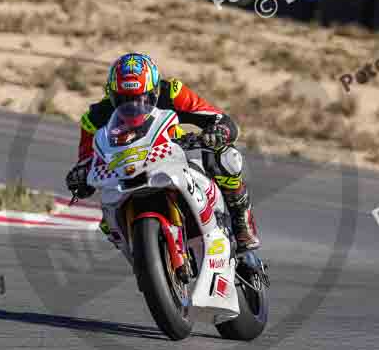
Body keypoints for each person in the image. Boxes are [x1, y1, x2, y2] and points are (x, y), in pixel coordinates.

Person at [65, 52, 261, 253]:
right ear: (111, 95)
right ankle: (139, 254)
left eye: (143, 98)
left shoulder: (173, 92)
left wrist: (218, 131)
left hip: (173, 155)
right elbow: (87, 159)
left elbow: (220, 119)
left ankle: (241, 220)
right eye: (124, 100)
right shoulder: (94, 118)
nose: (134, 107)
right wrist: (80, 175)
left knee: (225, 157)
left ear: (156, 90)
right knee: (107, 221)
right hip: (125, 170)